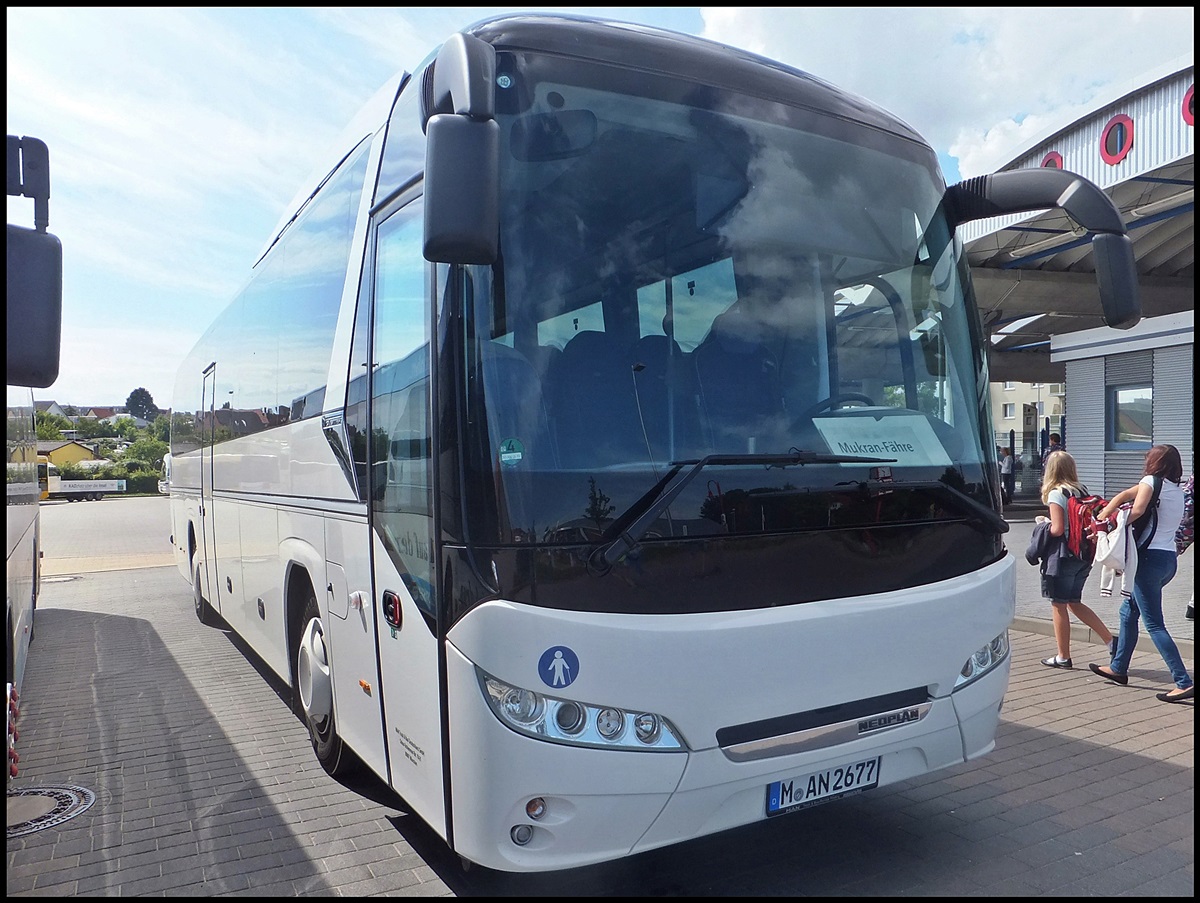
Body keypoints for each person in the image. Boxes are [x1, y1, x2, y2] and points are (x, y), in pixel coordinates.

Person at [1089, 445, 1193, 703]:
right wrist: (1108, 509)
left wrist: (1106, 524)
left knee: (1154, 624)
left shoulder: (1151, 482)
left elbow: (1136, 511)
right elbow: (1126, 494)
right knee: (1128, 611)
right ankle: (1118, 667)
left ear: (1155, 462)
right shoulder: (1176, 491)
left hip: (1147, 562)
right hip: (1168, 561)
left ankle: (1183, 682)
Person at [1034, 450, 1117, 669]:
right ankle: (1111, 641)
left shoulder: (1056, 493)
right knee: (1073, 601)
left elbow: (1057, 529)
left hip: (1063, 556)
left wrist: (1043, 524)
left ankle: (1063, 656)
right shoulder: (1081, 490)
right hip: (1083, 555)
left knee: (1058, 604)